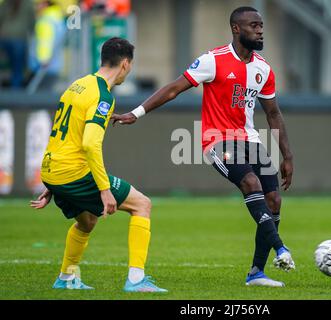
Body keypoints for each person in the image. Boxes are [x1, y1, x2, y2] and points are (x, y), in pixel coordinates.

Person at [112, 6, 295, 287]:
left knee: (274, 201)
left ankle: (256, 273)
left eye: (261, 26)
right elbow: (173, 88)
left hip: (251, 140)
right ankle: (281, 248)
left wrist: (287, 155)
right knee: (250, 183)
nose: (260, 30)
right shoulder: (213, 60)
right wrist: (136, 113)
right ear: (236, 29)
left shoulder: (263, 69)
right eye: (254, 25)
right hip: (218, 140)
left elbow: (273, 114)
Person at [30, 37, 167, 293]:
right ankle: (136, 280)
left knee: (87, 221)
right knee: (142, 204)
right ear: (125, 64)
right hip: (72, 171)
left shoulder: (78, 84)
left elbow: (64, 133)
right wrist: (104, 190)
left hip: (53, 168)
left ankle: (67, 277)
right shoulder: (103, 96)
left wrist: (52, 183)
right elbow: (90, 144)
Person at [0, 0, 35, 88]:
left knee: (5, 66)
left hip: (4, 36)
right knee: (17, 68)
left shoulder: (6, 3)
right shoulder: (28, 3)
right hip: (19, 38)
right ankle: (15, 92)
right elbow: (32, 20)